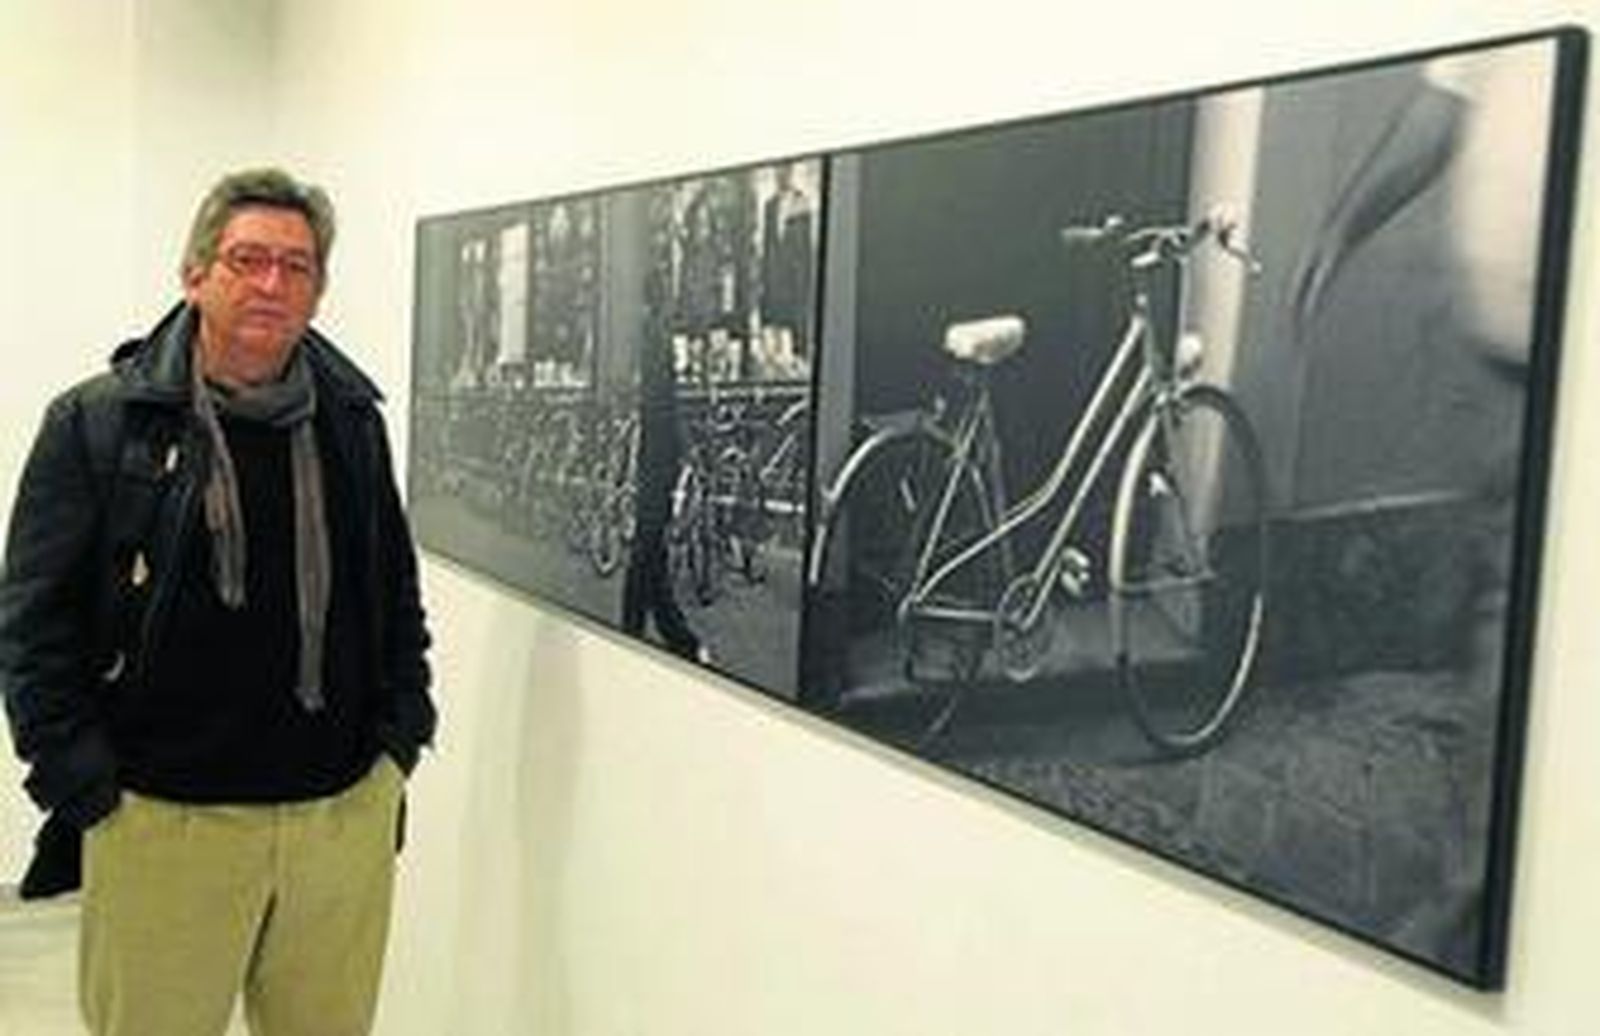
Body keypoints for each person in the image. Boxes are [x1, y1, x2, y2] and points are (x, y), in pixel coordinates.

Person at [0, 168, 436, 1035]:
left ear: (318, 288)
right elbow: (31, 625)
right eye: (248, 260)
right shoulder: (99, 422)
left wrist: (399, 739)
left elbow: (393, 590)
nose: (272, 283)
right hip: (164, 820)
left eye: (297, 266)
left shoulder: (351, 419)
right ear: (195, 273)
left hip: (337, 818)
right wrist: (85, 782)